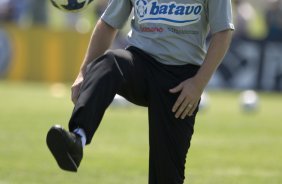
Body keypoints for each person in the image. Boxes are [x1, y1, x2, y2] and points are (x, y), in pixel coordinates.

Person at [46, 0, 234, 183]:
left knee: (166, 176)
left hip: (181, 81)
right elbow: (108, 23)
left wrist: (198, 84)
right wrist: (83, 72)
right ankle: (78, 138)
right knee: (110, 62)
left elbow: (223, 32)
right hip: (139, 63)